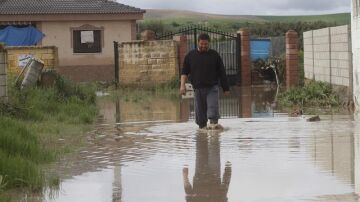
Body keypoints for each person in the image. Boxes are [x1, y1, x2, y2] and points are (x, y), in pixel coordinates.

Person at [180, 33, 230, 131]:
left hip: (212, 88)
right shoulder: (190, 56)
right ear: (198, 43)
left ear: (209, 43)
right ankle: (202, 138)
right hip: (198, 89)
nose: (204, 46)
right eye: (202, 44)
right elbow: (184, 72)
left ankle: (214, 137)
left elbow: (222, 72)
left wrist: (226, 88)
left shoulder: (214, 55)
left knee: (212, 111)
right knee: (200, 118)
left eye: (206, 44)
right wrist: (182, 86)